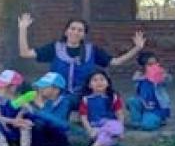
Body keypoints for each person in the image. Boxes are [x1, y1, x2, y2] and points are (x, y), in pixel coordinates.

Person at [17, 13, 146, 96]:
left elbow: (116, 62)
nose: (75, 32)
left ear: (84, 34)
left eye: (80, 30)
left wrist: (137, 48)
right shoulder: (55, 48)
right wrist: (22, 29)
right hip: (57, 95)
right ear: (66, 32)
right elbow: (25, 53)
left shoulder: (91, 50)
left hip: (84, 95)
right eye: (72, 29)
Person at [13, 72, 74, 146]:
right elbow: (12, 105)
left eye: (44, 87)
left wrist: (36, 110)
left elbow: (60, 124)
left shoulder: (64, 101)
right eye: (40, 86)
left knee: (39, 123)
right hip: (36, 133)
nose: (40, 89)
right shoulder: (34, 95)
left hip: (55, 136)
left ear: (56, 90)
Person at [78, 70, 126, 146]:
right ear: (89, 85)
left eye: (102, 79)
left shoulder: (114, 97)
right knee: (102, 135)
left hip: (112, 126)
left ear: (108, 83)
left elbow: (119, 114)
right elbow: (83, 117)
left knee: (110, 127)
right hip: (96, 127)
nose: (99, 82)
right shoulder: (86, 99)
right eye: (95, 80)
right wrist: (89, 130)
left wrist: (121, 129)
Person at [127, 51, 171, 131]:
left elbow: (167, 80)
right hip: (144, 104)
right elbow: (135, 79)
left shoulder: (160, 76)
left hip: (156, 108)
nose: (153, 66)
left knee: (147, 126)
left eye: (155, 63)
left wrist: (163, 76)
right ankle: (137, 121)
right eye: (150, 64)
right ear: (143, 66)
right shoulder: (139, 76)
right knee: (132, 101)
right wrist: (146, 76)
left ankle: (159, 119)